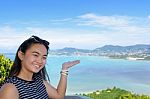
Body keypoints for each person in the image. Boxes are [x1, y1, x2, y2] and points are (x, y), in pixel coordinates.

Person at [0, 35, 80, 99]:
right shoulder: (10, 88)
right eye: (35, 55)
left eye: (44, 57)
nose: (40, 61)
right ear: (21, 55)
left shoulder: (38, 81)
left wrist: (64, 69)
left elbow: (59, 96)